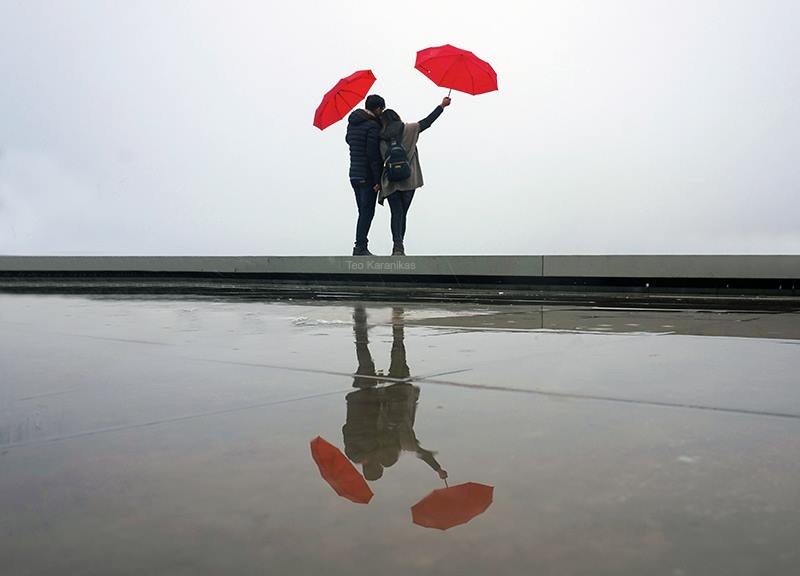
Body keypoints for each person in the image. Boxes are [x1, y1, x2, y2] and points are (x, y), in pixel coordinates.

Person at [379, 97, 452, 256]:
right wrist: (442, 106)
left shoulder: (380, 137)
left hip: (390, 181)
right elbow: (428, 121)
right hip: (409, 179)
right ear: (397, 117)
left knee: (396, 213)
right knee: (403, 213)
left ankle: (397, 245)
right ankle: (399, 246)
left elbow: (377, 161)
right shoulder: (410, 129)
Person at [346, 94, 385, 256]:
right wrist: (377, 180)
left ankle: (360, 245)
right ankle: (360, 247)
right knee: (367, 212)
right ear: (377, 109)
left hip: (354, 174)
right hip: (366, 175)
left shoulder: (353, 123)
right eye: (381, 109)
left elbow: (349, 141)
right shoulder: (372, 126)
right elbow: (372, 155)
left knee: (362, 211)